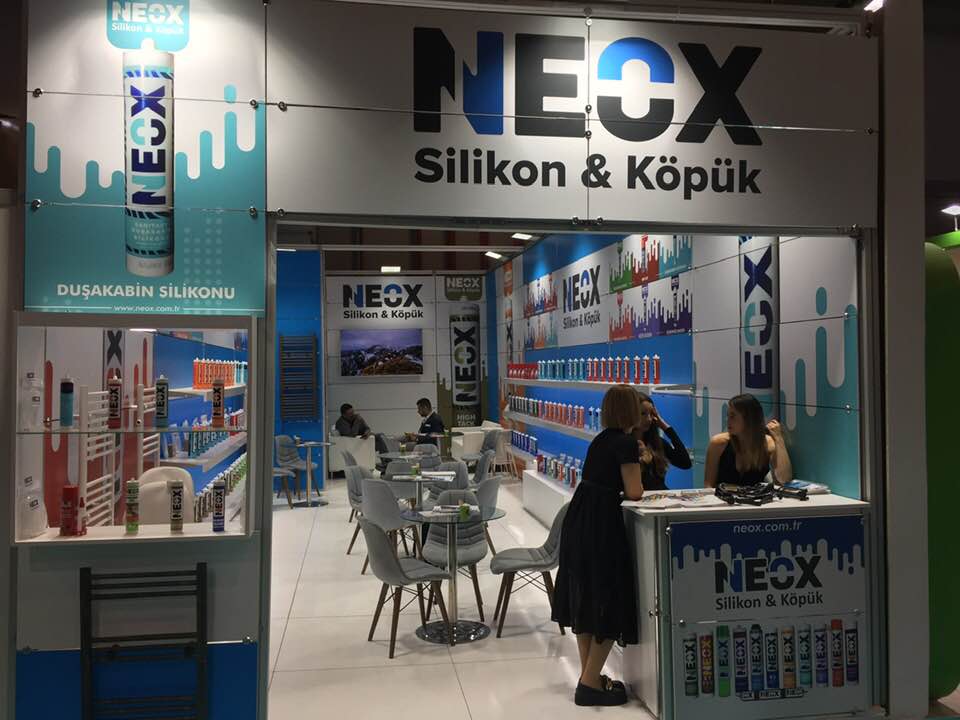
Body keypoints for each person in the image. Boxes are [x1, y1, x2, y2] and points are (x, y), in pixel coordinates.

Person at [552, 385, 645, 707]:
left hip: (581, 520)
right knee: (609, 597)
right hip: (602, 525)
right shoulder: (626, 443)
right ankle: (590, 681)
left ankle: (589, 677)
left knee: (587, 597)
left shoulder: (601, 439)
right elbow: (635, 491)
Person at [704, 393, 793, 488]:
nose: (728, 420)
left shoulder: (767, 444)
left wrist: (778, 438)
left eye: (732, 416)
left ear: (749, 419)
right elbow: (708, 485)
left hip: (754, 497)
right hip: (722, 496)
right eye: (728, 415)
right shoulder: (718, 443)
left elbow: (784, 479)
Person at [631, 391, 692, 491]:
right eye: (643, 414)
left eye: (651, 414)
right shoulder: (625, 443)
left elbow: (685, 463)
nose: (649, 419)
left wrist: (664, 426)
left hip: (661, 496)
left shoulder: (656, 442)